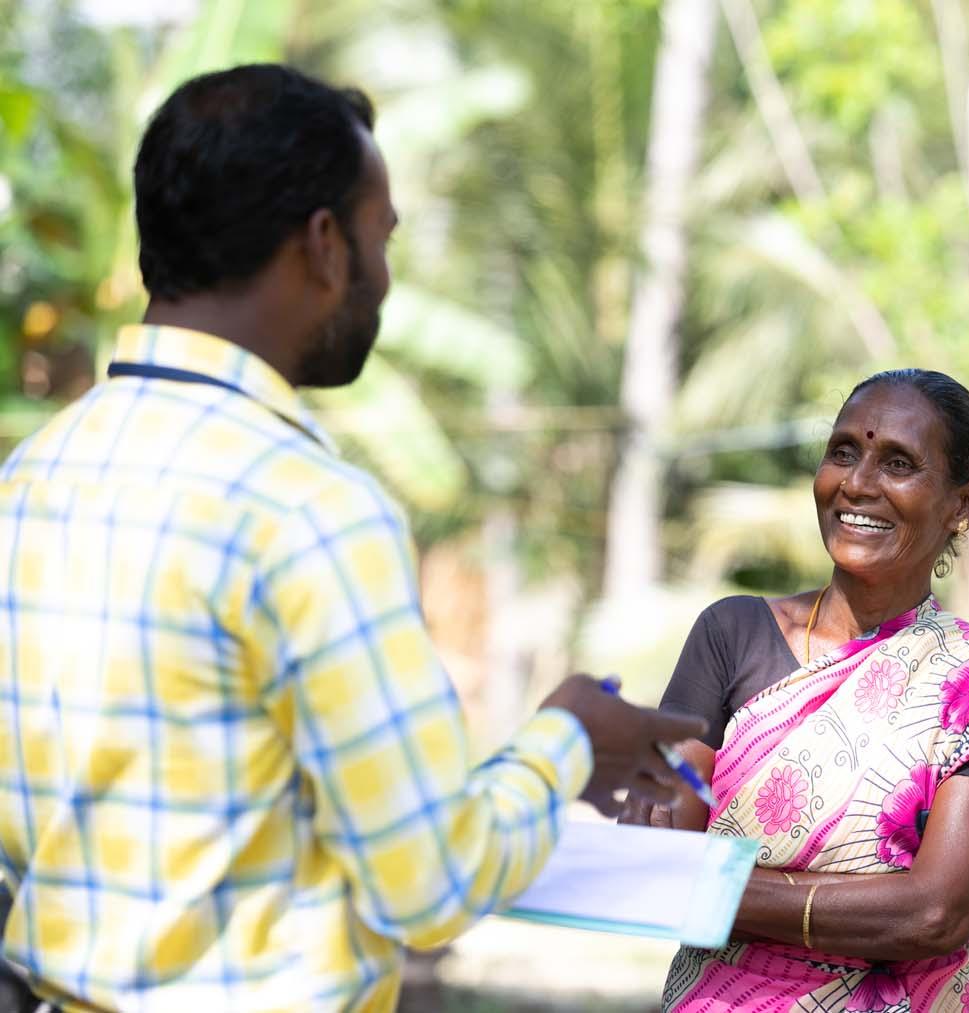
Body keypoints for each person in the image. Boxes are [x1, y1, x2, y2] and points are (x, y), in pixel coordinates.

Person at [0, 63, 702, 1012]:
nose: (383, 275)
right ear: (324, 245)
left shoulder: (33, 475)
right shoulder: (307, 506)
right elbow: (430, 886)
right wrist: (569, 736)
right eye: (383, 236)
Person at [624, 369, 969, 1012]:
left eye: (898, 463)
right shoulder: (733, 633)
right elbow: (652, 869)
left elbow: (938, 911)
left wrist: (716, 886)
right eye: (843, 452)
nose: (857, 484)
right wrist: (859, 903)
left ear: (965, 504)